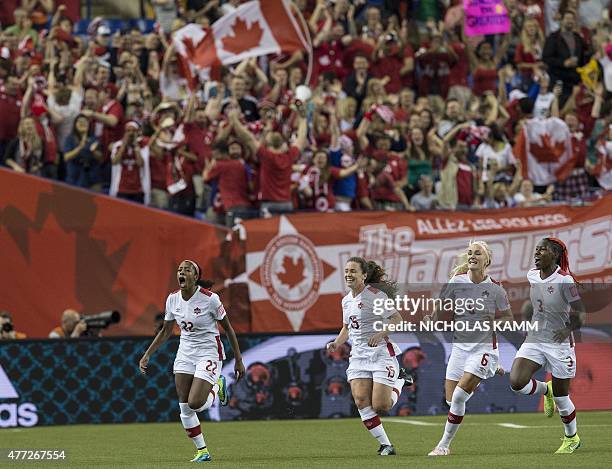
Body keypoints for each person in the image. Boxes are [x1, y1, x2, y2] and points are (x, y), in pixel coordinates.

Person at [139, 260, 245, 463]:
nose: (182, 272)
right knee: (184, 406)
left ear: (195, 277)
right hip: (185, 353)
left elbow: (228, 329)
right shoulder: (172, 299)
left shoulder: (210, 299)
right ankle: (202, 451)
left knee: (196, 403)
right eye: (179, 269)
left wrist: (238, 360)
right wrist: (147, 354)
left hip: (209, 352)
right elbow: (166, 331)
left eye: (187, 270)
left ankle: (218, 386)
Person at [425, 241, 513, 456]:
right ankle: (491, 368)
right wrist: (432, 317)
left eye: (478, 253)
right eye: (470, 253)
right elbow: (441, 302)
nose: (472, 256)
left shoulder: (496, 289)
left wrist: (493, 324)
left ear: (487, 260)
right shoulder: (457, 281)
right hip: (460, 348)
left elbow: (509, 318)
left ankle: (443, 446)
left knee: (458, 398)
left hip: (483, 347)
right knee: (450, 400)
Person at [509, 238, 586, 454]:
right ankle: (546, 389)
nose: (537, 253)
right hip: (535, 339)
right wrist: (526, 319)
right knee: (516, 382)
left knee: (563, 398)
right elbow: (532, 303)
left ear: (554, 254)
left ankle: (572, 438)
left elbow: (581, 313)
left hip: (559, 344)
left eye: (542, 250)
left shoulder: (564, 280)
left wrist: (566, 330)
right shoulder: (532, 275)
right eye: (536, 249)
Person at [326, 257, 409, 456]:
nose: (348, 274)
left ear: (364, 275)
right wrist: (337, 342)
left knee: (381, 406)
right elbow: (347, 327)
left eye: (353, 271)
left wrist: (381, 334)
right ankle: (386, 445)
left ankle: (401, 380)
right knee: (361, 401)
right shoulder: (346, 300)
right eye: (346, 271)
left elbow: (397, 319)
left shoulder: (375, 295)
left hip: (380, 354)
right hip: (358, 357)